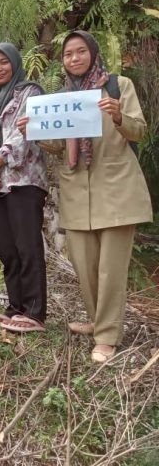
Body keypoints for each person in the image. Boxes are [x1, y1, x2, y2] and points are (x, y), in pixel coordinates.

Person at [19, 30, 152, 363]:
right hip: (77, 191)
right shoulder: (62, 99)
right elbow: (58, 147)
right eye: (68, 54)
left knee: (110, 268)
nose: (74, 58)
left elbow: (139, 129)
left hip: (117, 188)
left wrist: (119, 114)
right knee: (84, 263)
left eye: (81, 52)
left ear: (92, 54)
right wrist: (32, 131)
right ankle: (97, 320)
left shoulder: (117, 87)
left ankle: (108, 335)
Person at [0, 43, 48, 332]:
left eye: (3, 62)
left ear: (15, 64)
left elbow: (21, 136)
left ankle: (34, 312)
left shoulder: (30, 93)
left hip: (24, 181)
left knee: (27, 246)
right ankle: (15, 307)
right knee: (7, 248)